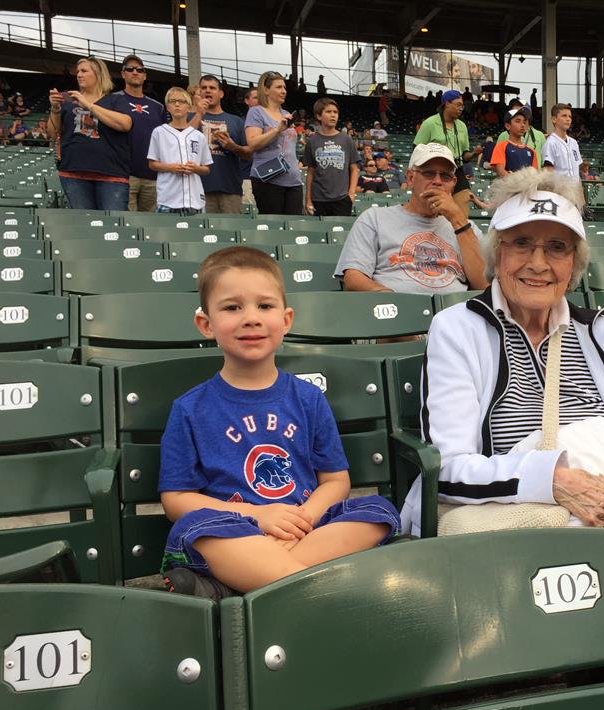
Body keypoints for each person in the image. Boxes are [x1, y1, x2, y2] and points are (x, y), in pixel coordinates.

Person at [399, 167, 604, 538]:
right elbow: (448, 468)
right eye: (521, 242)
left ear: (573, 262)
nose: (538, 264)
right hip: (519, 526)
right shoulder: (457, 328)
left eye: (557, 247)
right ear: (498, 252)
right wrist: (554, 482)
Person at [158, 248, 401, 599]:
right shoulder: (190, 408)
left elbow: (336, 481)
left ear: (286, 320)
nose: (251, 318)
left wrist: (303, 519)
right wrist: (259, 517)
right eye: (232, 307)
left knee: (377, 511)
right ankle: (311, 588)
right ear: (206, 324)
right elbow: (176, 500)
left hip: (307, 526)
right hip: (236, 532)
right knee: (198, 528)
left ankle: (246, 586)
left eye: (265, 306)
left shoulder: (308, 398)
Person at [335, 143, 485, 295]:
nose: (437, 181)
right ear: (411, 178)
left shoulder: (466, 228)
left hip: (454, 314)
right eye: (429, 173)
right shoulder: (374, 218)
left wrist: (458, 221)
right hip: (395, 311)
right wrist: (390, 298)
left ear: (453, 183)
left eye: (445, 176)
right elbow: (353, 277)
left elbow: (483, 284)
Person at [48, 56, 133, 210]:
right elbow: (54, 134)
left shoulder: (116, 100)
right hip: (73, 171)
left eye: (84, 71)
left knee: (113, 225)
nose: (79, 75)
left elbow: (125, 124)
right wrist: (55, 109)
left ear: (98, 74)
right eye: (78, 71)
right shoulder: (68, 100)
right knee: (84, 225)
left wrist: (87, 103)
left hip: (111, 173)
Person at [413, 89, 483, 221]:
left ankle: (460, 235)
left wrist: (474, 153)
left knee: (463, 210)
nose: (461, 108)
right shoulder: (430, 123)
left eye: (462, 105)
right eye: (458, 105)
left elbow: (464, 156)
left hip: (457, 170)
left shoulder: (462, 126)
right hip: (437, 172)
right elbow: (417, 149)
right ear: (446, 104)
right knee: (437, 212)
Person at [147, 87, 212, 215]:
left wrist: (195, 168)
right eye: (172, 101)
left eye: (181, 101)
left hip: (194, 199)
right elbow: (152, 163)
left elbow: (207, 168)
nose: (177, 104)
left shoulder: (198, 136)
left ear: (189, 107)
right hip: (168, 198)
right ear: (168, 107)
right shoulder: (159, 132)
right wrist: (171, 167)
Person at [244, 71, 302, 215]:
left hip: (293, 180)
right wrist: (277, 130)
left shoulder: (286, 113)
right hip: (268, 179)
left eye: (284, 88)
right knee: (274, 229)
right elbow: (252, 144)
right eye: (278, 87)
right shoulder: (256, 112)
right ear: (265, 90)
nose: (283, 91)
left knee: (293, 230)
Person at [193, 75, 251, 214]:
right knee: (202, 234)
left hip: (230, 189)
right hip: (197, 189)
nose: (208, 91)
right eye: (204, 88)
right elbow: (182, 142)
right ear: (199, 93)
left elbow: (249, 155)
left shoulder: (236, 121)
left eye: (212, 88)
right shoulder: (190, 118)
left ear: (221, 93)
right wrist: (198, 113)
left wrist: (233, 147)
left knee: (233, 233)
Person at [116, 55, 166, 212]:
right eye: (130, 69)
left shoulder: (158, 107)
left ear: (145, 76)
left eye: (140, 70)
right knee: (127, 225)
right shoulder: (113, 100)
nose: (135, 72)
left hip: (152, 175)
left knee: (151, 227)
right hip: (123, 175)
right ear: (123, 74)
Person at [303, 96, 360, 216]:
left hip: (342, 199)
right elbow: (310, 172)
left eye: (335, 112)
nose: (333, 115)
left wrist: (351, 193)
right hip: (318, 199)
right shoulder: (312, 141)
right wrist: (308, 199)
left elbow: (354, 169)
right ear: (319, 116)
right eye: (328, 112)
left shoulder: (346, 139)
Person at [491, 106, 539, 177]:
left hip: (528, 187)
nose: (522, 125)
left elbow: (535, 175)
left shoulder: (532, 151)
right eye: (518, 121)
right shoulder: (501, 147)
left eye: (524, 122)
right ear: (507, 126)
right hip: (508, 187)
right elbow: (501, 172)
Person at [495, 97, 546, 164]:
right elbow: (498, 165)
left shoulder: (539, 135)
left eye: (522, 112)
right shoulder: (503, 136)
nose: (519, 114)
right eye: (515, 112)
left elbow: (544, 164)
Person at [542, 103, 582, 180]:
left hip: (575, 189)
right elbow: (548, 173)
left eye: (570, 116)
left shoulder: (574, 143)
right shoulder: (550, 143)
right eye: (564, 116)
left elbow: (577, 172)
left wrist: (580, 191)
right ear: (554, 119)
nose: (568, 119)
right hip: (559, 190)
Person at [240, 87, 258, 206]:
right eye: (255, 98)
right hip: (248, 176)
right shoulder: (241, 123)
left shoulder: (270, 122)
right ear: (247, 101)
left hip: (269, 178)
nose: (259, 100)